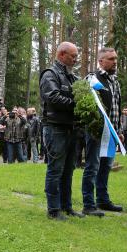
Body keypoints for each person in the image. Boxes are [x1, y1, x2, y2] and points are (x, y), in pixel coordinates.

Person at [40, 41, 83, 220]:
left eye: (76, 56)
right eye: (73, 56)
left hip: (71, 128)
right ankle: (53, 209)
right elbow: (53, 98)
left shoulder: (73, 78)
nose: (75, 59)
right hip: (55, 128)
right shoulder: (50, 75)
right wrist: (77, 105)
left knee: (68, 170)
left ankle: (67, 206)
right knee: (55, 169)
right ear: (61, 55)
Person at [82, 47, 124, 217]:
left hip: (112, 132)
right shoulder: (92, 79)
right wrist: (93, 129)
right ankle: (88, 204)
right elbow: (86, 108)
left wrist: (119, 130)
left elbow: (117, 108)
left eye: (116, 58)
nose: (115, 61)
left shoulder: (115, 81)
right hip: (96, 133)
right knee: (92, 166)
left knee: (106, 166)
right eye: (111, 59)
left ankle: (103, 200)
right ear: (101, 61)